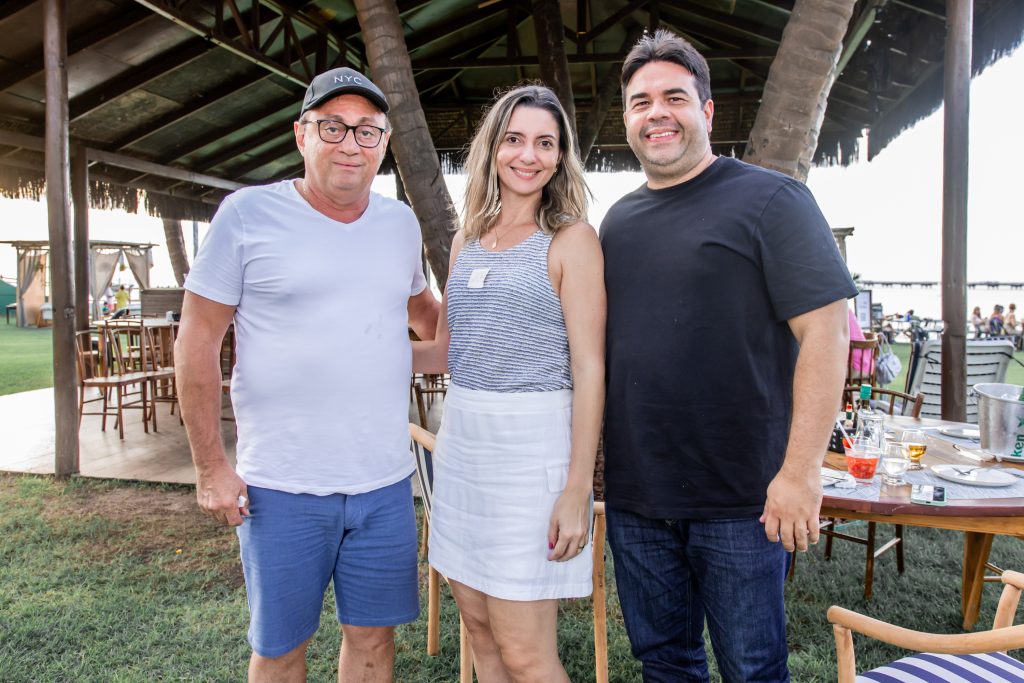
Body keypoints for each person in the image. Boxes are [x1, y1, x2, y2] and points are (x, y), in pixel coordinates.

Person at [599, 30, 857, 682]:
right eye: (640, 101)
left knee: (753, 669)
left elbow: (828, 333)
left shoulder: (773, 200)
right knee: (665, 664)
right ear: (626, 118)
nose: (656, 112)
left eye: (674, 97)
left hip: (745, 501)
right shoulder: (617, 223)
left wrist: (799, 472)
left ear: (707, 112)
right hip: (638, 497)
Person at [175, 67, 439, 682]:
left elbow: (424, 313)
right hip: (281, 487)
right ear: (301, 135)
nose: (351, 143)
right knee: (280, 649)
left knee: (374, 641)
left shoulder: (399, 224)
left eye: (368, 131)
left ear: (384, 143)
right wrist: (211, 467)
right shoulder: (246, 216)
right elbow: (196, 343)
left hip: (383, 485)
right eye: (333, 127)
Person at [413, 85, 605, 682]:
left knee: (526, 655)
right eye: (515, 139)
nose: (529, 155)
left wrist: (577, 490)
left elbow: (590, 367)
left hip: (532, 457)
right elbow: (446, 351)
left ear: (560, 156)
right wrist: (352, 349)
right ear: (492, 148)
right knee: (480, 638)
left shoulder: (572, 240)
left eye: (545, 143)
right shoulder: (466, 240)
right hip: (465, 449)